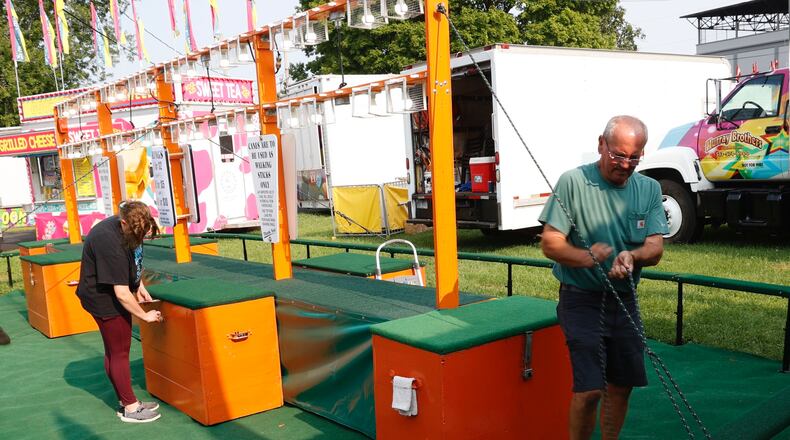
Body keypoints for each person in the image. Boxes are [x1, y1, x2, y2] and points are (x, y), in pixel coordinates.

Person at [538, 115, 668, 439]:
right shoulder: (573, 182)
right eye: (618, 155)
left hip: (624, 300)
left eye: (634, 157)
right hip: (580, 298)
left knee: (621, 386)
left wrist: (632, 256)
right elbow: (550, 242)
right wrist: (587, 258)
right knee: (590, 390)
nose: (625, 164)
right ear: (601, 144)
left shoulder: (649, 188)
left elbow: (655, 247)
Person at [76, 201, 164, 423]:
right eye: (136, 232)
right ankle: (131, 408)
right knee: (119, 352)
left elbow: (132, 260)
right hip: (102, 298)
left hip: (109, 292)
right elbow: (122, 293)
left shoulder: (133, 226)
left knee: (115, 350)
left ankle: (126, 401)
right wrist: (144, 315)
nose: (139, 236)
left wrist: (138, 283)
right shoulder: (110, 242)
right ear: (123, 222)